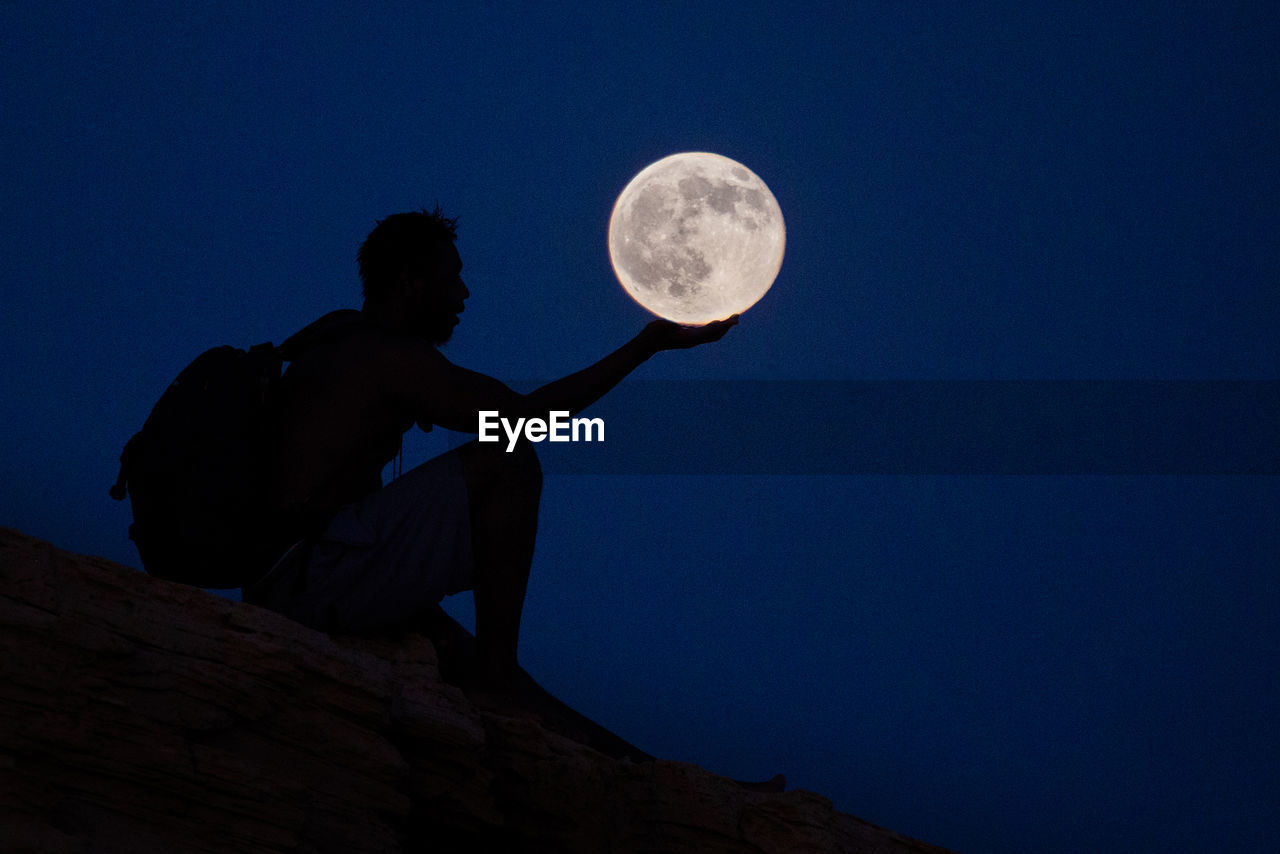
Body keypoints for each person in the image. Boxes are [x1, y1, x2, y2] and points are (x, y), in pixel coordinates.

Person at [243, 207, 736, 703]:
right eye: (452, 275)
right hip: (307, 580)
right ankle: (497, 681)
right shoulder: (387, 358)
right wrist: (644, 347)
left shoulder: (336, 340)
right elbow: (526, 419)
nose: (464, 293)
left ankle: (622, 755)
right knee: (508, 462)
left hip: (298, 573)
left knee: (453, 648)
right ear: (412, 280)